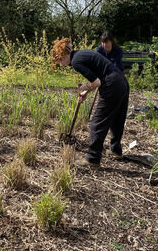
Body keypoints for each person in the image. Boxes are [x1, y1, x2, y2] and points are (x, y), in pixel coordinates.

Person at [52, 38, 129, 166]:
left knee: (97, 122)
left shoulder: (76, 62)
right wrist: (86, 92)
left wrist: (84, 86)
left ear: (64, 55)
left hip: (112, 84)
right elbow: (97, 79)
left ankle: (92, 158)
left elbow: (96, 82)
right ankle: (116, 151)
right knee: (116, 119)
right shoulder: (82, 54)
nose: (61, 64)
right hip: (121, 81)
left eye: (60, 60)